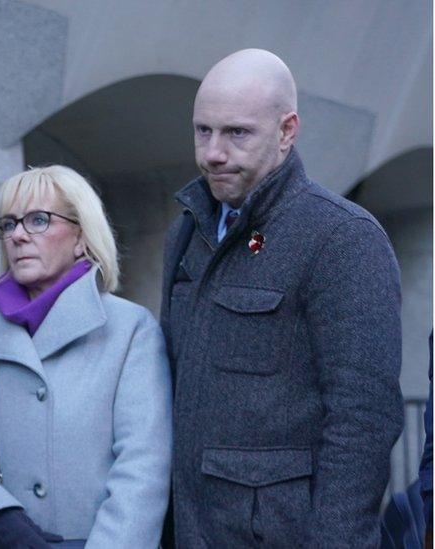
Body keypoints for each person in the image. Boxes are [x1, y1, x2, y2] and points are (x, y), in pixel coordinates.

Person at [160, 48, 403, 546]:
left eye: (237, 133)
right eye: (203, 130)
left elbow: (364, 421)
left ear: (287, 131)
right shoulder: (184, 234)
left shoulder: (342, 237)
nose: (213, 153)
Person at [0, 165, 172, 547]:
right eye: (9, 223)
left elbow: (143, 468)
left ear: (81, 237)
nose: (18, 235)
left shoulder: (130, 330)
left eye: (38, 220)